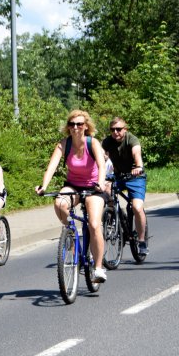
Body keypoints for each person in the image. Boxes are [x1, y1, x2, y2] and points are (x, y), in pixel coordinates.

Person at [35, 109, 108, 282]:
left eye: (79, 124)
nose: (75, 127)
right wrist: (43, 186)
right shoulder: (64, 144)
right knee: (59, 203)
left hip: (93, 187)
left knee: (94, 224)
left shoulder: (93, 143)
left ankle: (98, 268)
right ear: (68, 127)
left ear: (86, 126)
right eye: (72, 124)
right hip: (73, 185)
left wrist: (101, 182)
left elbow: (101, 165)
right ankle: (71, 234)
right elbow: (51, 167)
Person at [101, 116, 149, 256]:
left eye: (119, 129)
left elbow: (137, 153)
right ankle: (114, 213)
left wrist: (138, 166)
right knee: (105, 189)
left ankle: (141, 241)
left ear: (125, 129)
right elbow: (100, 155)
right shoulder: (108, 142)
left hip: (135, 177)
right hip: (118, 176)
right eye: (112, 130)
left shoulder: (131, 139)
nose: (116, 132)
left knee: (137, 207)